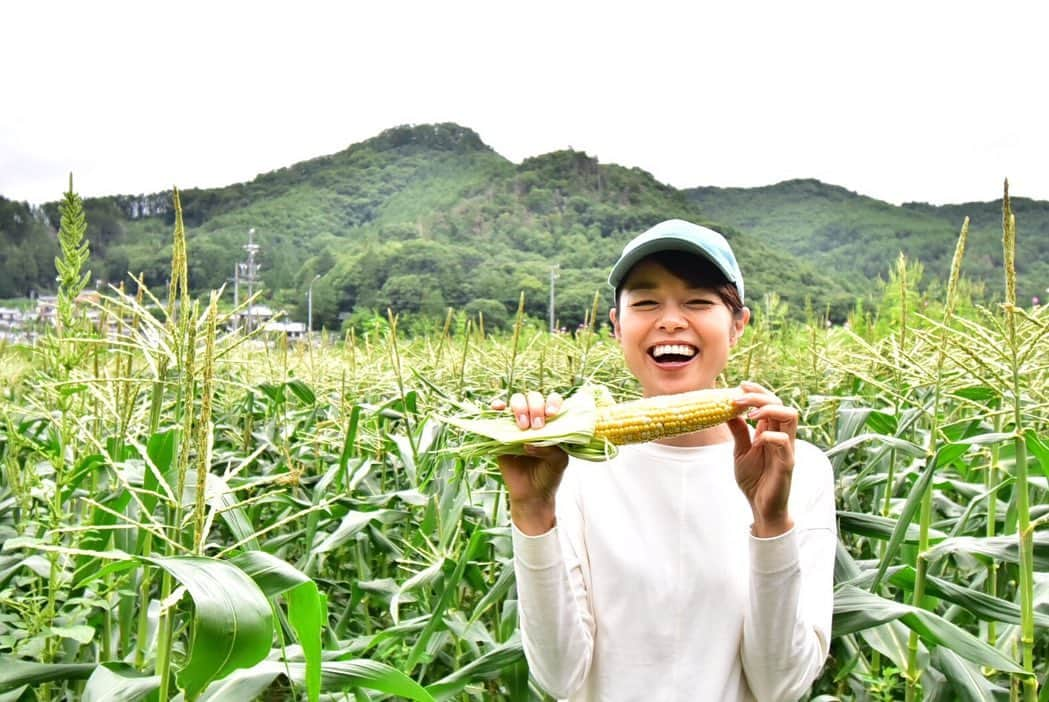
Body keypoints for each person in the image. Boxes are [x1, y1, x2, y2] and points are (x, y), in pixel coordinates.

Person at [493, 219, 837, 702]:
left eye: (698, 302)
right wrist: (533, 510)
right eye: (646, 302)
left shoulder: (800, 469)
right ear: (616, 326)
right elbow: (558, 677)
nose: (671, 320)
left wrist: (771, 520)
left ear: (738, 325)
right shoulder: (572, 465)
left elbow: (781, 685)